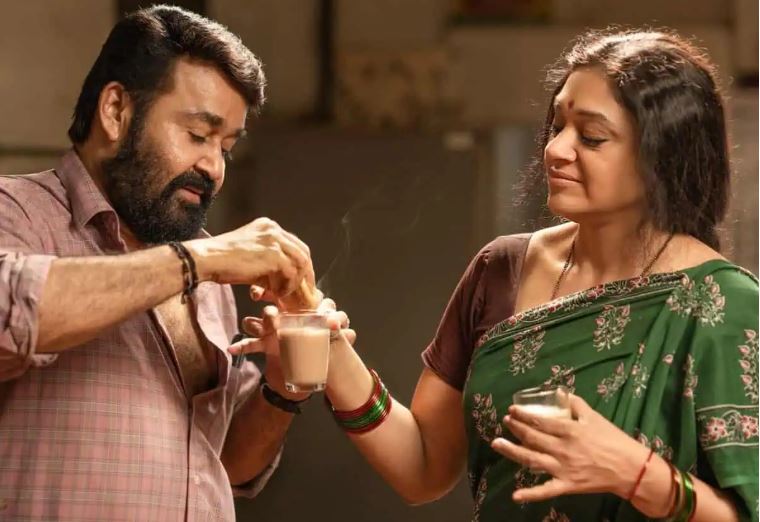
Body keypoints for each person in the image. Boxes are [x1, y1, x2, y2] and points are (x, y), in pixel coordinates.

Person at [239, 29, 759, 521]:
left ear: (664, 157)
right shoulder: (502, 269)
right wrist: (326, 345)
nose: (556, 149)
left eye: (592, 136)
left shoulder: (722, 304)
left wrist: (635, 473)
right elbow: (422, 467)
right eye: (557, 126)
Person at [0, 5, 321, 521]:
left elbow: (227, 465)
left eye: (226, 148)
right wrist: (199, 260)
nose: (213, 168)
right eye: (197, 135)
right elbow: (9, 314)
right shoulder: (16, 211)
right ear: (115, 112)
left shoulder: (207, 273)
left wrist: (282, 386)